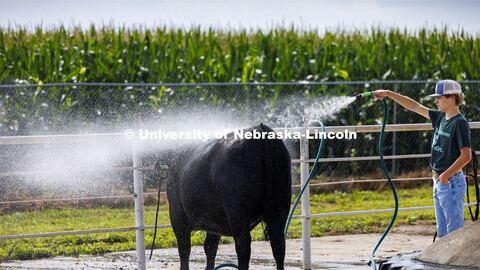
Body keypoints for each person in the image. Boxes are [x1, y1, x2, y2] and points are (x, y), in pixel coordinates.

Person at [373, 79, 472, 238]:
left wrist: (445, 176)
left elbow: (466, 156)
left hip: (451, 181)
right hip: (440, 181)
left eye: (439, 97)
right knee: (443, 234)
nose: (435, 101)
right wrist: (389, 94)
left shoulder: (459, 123)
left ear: (452, 97)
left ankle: (457, 263)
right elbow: (415, 106)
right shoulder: (440, 117)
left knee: (454, 234)